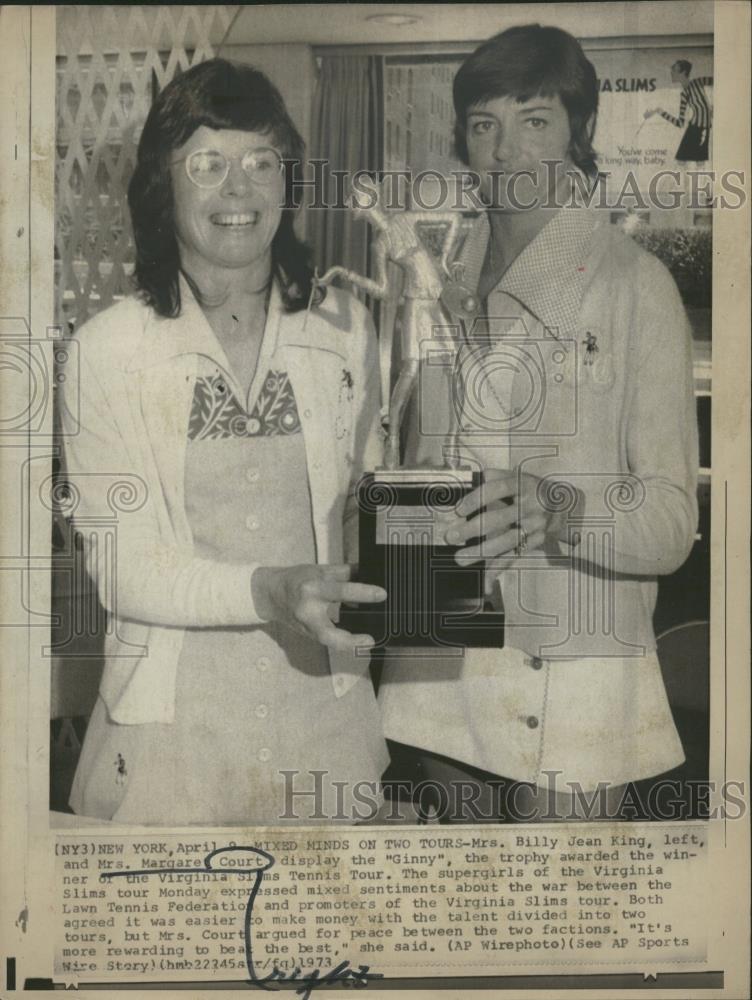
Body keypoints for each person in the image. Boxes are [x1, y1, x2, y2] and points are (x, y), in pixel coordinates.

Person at [378, 24, 699, 823]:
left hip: (578, 675)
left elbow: (670, 523)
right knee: (461, 927)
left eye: (535, 120)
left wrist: (554, 507)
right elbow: (419, 469)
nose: (506, 152)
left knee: (558, 934)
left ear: (580, 132)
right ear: (463, 140)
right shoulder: (437, 278)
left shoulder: (635, 285)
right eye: (485, 124)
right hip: (441, 665)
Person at [59, 58, 389, 826]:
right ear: (162, 185)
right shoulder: (109, 348)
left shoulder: (343, 328)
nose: (238, 190)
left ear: (288, 182)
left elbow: (356, 513)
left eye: (261, 162)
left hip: (324, 726)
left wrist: (422, 540)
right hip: (171, 744)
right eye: (207, 163)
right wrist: (267, 591)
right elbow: (124, 569)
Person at [644, 60, 713, 164]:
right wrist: (659, 111)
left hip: (701, 129)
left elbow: (721, 80)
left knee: (698, 162)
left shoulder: (699, 82)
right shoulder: (684, 94)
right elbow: (680, 123)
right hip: (694, 129)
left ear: (684, 73)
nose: (671, 72)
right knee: (684, 162)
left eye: (674, 70)